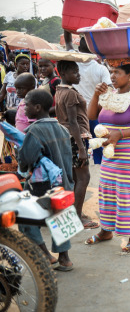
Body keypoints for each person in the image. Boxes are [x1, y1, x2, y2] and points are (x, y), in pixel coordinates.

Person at [86, 58, 130, 253]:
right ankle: (106, 230)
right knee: (107, 190)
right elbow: (92, 115)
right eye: (111, 72)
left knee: (128, 193)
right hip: (110, 153)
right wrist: (95, 94)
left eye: (117, 72)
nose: (112, 76)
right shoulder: (108, 95)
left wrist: (120, 134)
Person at [18, 89, 74, 271]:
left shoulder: (34, 131)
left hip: (42, 187)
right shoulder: (62, 128)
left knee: (25, 217)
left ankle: (45, 254)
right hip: (64, 183)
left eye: (26, 104)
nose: (23, 108)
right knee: (61, 217)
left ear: (37, 107)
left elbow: (26, 158)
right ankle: (65, 259)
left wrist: (24, 167)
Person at [55, 60, 98, 229]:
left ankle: (75, 212)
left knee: (75, 177)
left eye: (78, 71)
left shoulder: (60, 89)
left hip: (69, 137)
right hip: (75, 138)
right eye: (75, 72)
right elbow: (73, 122)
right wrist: (81, 148)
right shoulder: (70, 93)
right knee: (84, 177)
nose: (78, 75)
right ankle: (78, 217)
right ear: (63, 74)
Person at [64, 30, 111, 165]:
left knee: (81, 144)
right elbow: (109, 88)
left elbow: (68, 42)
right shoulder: (101, 68)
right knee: (98, 143)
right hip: (94, 112)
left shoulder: (74, 61)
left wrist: (68, 25)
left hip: (78, 112)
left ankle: (84, 165)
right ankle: (98, 168)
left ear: (79, 48)